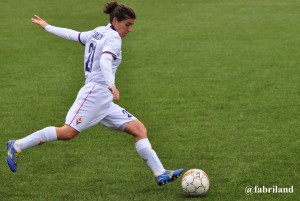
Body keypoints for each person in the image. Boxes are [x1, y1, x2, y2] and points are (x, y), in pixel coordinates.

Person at [6, 0, 183, 186]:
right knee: (67, 133)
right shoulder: (114, 39)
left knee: (139, 129)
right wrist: (111, 84)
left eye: (132, 25)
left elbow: (74, 35)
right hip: (95, 93)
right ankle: (17, 145)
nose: (130, 29)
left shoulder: (99, 31)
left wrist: (47, 27)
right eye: (127, 24)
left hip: (104, 100)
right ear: (115, 21)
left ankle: (160, 173)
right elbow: (105, 60)